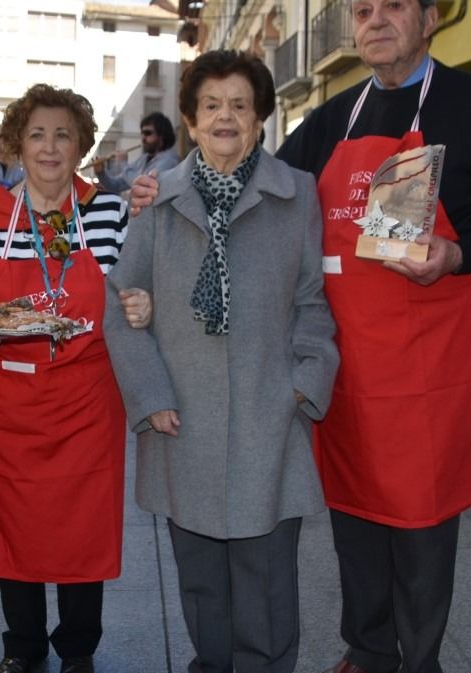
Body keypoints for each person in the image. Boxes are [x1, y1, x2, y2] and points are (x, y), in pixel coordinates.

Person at [131, 0, 471, 673]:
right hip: (343, 371)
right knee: (357, 520)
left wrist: (459, 253)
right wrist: (169, 193)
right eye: (362, 10)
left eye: (394, 5)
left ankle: (418, 661)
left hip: (425, 372)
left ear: (428, 16)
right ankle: (367, 651)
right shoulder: (332, 120)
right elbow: (250, 187)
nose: (376, 21)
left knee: (420, 529)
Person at [106, 50, 339, 673]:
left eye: (240, 104)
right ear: (190, 117)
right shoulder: (156, 201)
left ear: (261, 117)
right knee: (203, 586)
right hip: (182, 421)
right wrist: (151, 397)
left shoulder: (297, 196)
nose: (225, 117)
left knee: (266, 588)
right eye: (211, 106)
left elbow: (314, 304)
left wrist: (302, 386)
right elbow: (118, 302)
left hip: (270, 415)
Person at [0, 84, 137, 673]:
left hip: (85, 398)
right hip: (4, 399)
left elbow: (133, 285)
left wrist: (141, 303)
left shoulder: (108, 211)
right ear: (16, 144)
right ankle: (23, 647)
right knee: (14, 527)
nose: (50, 147)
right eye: (37, 134)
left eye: (63, 134)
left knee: (82, 529)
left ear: (81, 143)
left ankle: (78, 649)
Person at [92, 111, 180, 194]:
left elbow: (142, 186)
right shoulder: (143, 159)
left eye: (147, 133)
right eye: (142, 133)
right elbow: (116, 186)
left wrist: (123, 163)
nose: (143, 138)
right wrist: (101, 172)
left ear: (162, 136)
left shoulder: (169, 161)